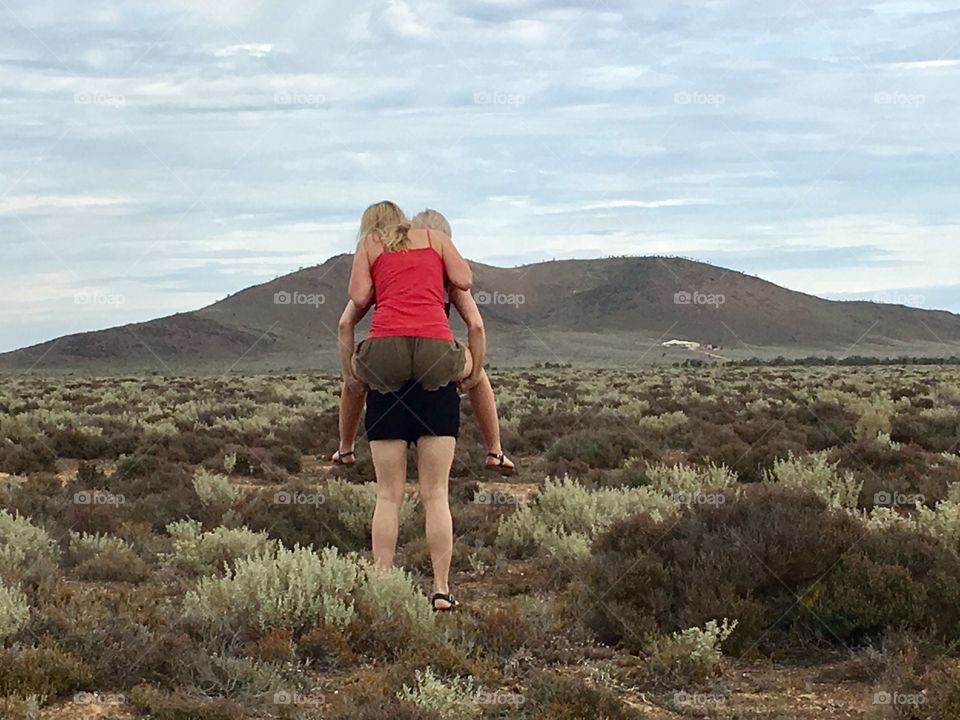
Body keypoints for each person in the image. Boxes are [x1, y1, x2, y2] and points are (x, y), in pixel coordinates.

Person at [345, 201, 467, 611]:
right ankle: (441, 590)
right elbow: (467, 287)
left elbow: (353, 307)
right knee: (436, 495)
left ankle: (381, 584)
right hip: (436, 370)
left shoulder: (372, 251)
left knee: (388, 495)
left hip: (385, 375)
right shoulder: (436, 248)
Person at [332, 209, 515, 472]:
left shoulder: (385, 271)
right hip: (435, 359)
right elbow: (476, 325)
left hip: (387, 362)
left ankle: (345, 447)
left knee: (353, 376)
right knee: (479, 371)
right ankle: (494, 450)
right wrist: (472, 375)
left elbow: (344, 322)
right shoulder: (450, 280)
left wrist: (350, 374)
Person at [347, 201, 473, 394]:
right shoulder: (436, 239)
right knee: (475, 367)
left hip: (385, 351)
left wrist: (380, 283)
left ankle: (347, 424)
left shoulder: (368, 243)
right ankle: (490, 424)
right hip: (435, 350)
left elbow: (359, 298)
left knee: (354, 376)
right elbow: (464, 281)